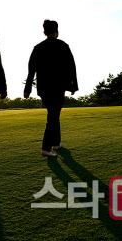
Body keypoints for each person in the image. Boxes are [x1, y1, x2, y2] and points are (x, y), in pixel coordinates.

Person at [24, 20, 78, 157]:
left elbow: (31, 70)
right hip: (58, 87)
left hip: (43, 88)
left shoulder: (38, 47)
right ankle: (46, 148)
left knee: (54, 114)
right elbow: (71, 67)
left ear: (44, 32)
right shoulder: (63, 45)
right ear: (56, 31)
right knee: (53, 116)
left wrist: (28, 88)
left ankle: (56, 143)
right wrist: (73, 86)